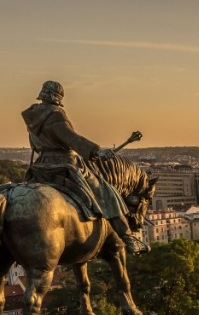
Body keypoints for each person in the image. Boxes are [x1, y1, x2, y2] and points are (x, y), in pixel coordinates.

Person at [22, 80, 146, 256]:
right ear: (57, 98)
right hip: (64, 165)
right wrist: (97, 151)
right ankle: (129, 239)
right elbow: (71, 138)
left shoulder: (32, 116)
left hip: (40, 167)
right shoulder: (56, 114)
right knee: (108, 194)